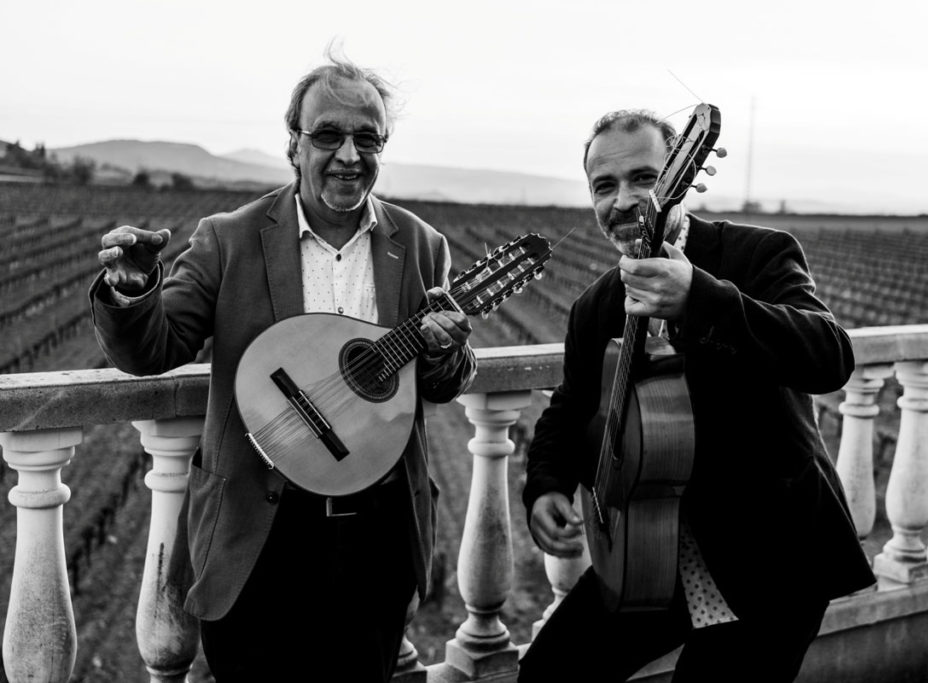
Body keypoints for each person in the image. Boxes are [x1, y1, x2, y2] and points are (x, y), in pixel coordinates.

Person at [90, 55, 476, 682]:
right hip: (256, 536)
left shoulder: (422, 245)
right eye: (328, 135)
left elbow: (437, 381)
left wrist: (445, 351)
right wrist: (132, 294)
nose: (349, 155)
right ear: (293, 144)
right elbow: (151, 353)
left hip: (375, 541)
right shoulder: (229, 239)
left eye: (367, 138)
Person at [519, 109, 876, 683]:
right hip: (647, 550)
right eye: (604, 186)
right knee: (549, 671)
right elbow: (571, 406)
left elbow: (829, 356)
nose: (624, 199)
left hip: (770, 556)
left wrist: (701, 299)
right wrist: (544, 486)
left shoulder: (758, 254)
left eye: (643, 178)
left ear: (679, 179)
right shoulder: (595, 306)